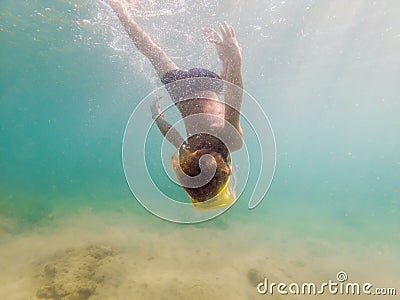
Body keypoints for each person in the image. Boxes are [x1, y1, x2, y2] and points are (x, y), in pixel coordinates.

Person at [109, 0, 244, 209]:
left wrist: (235, 60)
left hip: (210, 85)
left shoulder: (232, 142)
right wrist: (157, 118)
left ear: (229, 169)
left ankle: (224, 62)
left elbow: (234, 101)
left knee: (155, 54)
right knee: (152, 51)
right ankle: (122, 12)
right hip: (180, 88)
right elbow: (173, 136)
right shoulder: (189, 152)